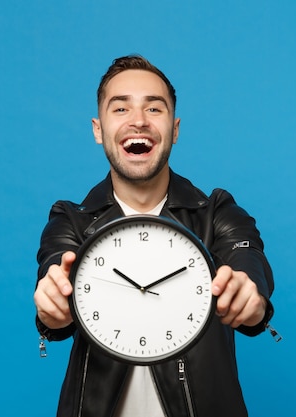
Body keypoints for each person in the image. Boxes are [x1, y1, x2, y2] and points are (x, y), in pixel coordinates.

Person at [34, 54, 275, 417]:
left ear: (175, 129)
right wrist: (53, 304)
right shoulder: (71, 220)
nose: (138, 121)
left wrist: (250, 292)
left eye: (154, 109)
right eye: (120, 109)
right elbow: (55, 267)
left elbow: (247, 254)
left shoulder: (216, 212)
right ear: (98, 130)